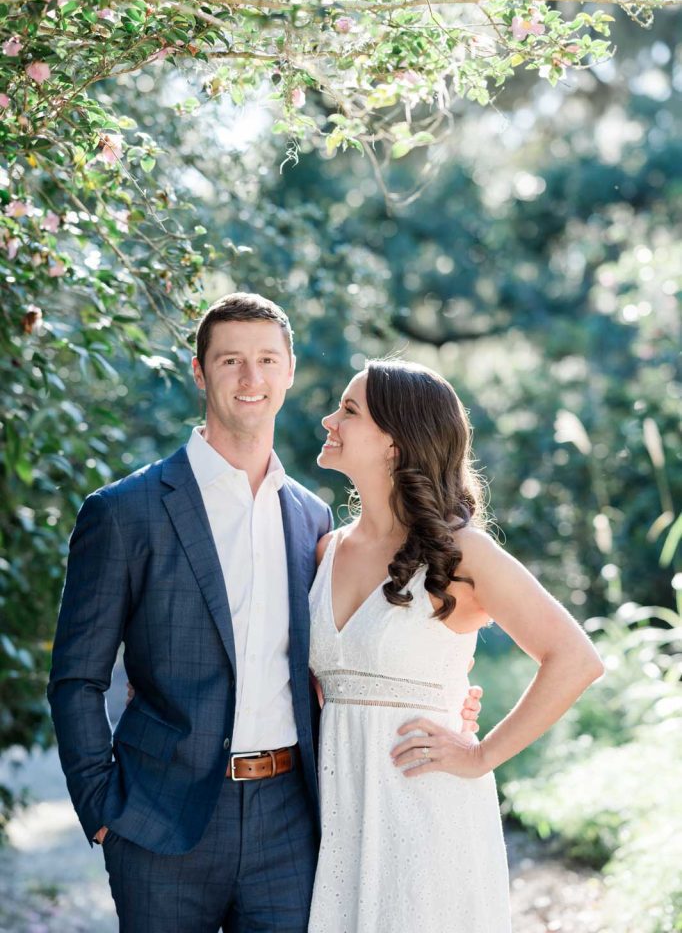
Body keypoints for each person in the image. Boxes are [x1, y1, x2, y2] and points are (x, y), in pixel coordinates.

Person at [47, 293, 482, 933]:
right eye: (230, 361)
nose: (250, 379)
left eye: (266, 360)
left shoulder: (313, 517)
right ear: (200, 372)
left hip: (290, 816)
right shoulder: (124, 512)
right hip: (157, 817)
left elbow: (342, 658)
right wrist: (104, 808)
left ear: (289, 370)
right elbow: (75, 678)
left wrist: (441, 699)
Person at [307, 358, 605, 933]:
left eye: (348, 410)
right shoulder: (325, 551)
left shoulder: (461, 553)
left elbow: (574, 659)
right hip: (341, 817)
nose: (328, 420)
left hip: (428, 813)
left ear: (396, 444)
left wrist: (481, 754)